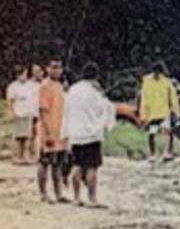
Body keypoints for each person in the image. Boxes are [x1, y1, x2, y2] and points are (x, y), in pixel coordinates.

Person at [64, 62, 115, 208]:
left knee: (77, 165)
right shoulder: (95, 92)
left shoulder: (73, 90)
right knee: (92, 166)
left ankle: (76, 197)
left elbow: (67, 109)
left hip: (75, 133)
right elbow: (104, 108)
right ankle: (92, 198)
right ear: (96, 76)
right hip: (91, 133)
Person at [34, 59, 69, 203]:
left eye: (59, 67)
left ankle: (58, 193)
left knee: (58, 164)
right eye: (53, 67)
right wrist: (48, 133)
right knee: (44, 162)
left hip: (61, 131)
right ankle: (43, 193)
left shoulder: (60, 86)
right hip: (48, 131)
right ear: (47, 68)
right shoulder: (45, 86)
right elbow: (43, 110)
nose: (57, 70)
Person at [138, 62, 180, 162]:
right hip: (152, 112)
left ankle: (167, 153)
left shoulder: (166, 82)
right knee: (152, 133)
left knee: (167, 132)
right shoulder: (147, 81)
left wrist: (175, 110)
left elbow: (173, 97)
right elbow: (144, 97)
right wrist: (143, 113)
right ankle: (152, 154)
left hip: (164, 112)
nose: (157, 74)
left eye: (159, 72)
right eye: (155, 72)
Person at [6, 65, 39, 164]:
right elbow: (10, 101)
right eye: (21, 75)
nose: (23, 76)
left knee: (28, 137)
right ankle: (17, 157)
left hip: (29, 113)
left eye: (25, 74)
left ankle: (27, 156)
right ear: (17, 75)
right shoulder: (13, 86)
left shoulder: (32, 85)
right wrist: (11, 112)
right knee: (18, 137)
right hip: (18, 113)